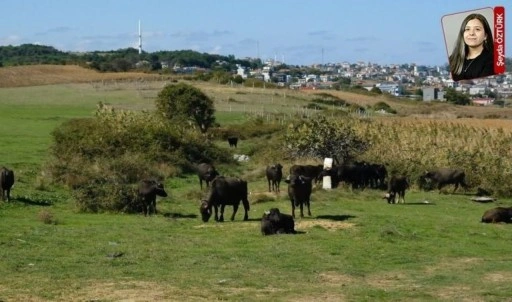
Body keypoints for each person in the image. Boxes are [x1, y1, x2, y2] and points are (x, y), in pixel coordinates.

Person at [449, 13, 494, 81]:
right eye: (467, 29)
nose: (471, 33)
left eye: (477, 29)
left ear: (485, 36)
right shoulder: (453, 59)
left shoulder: (492, 61)